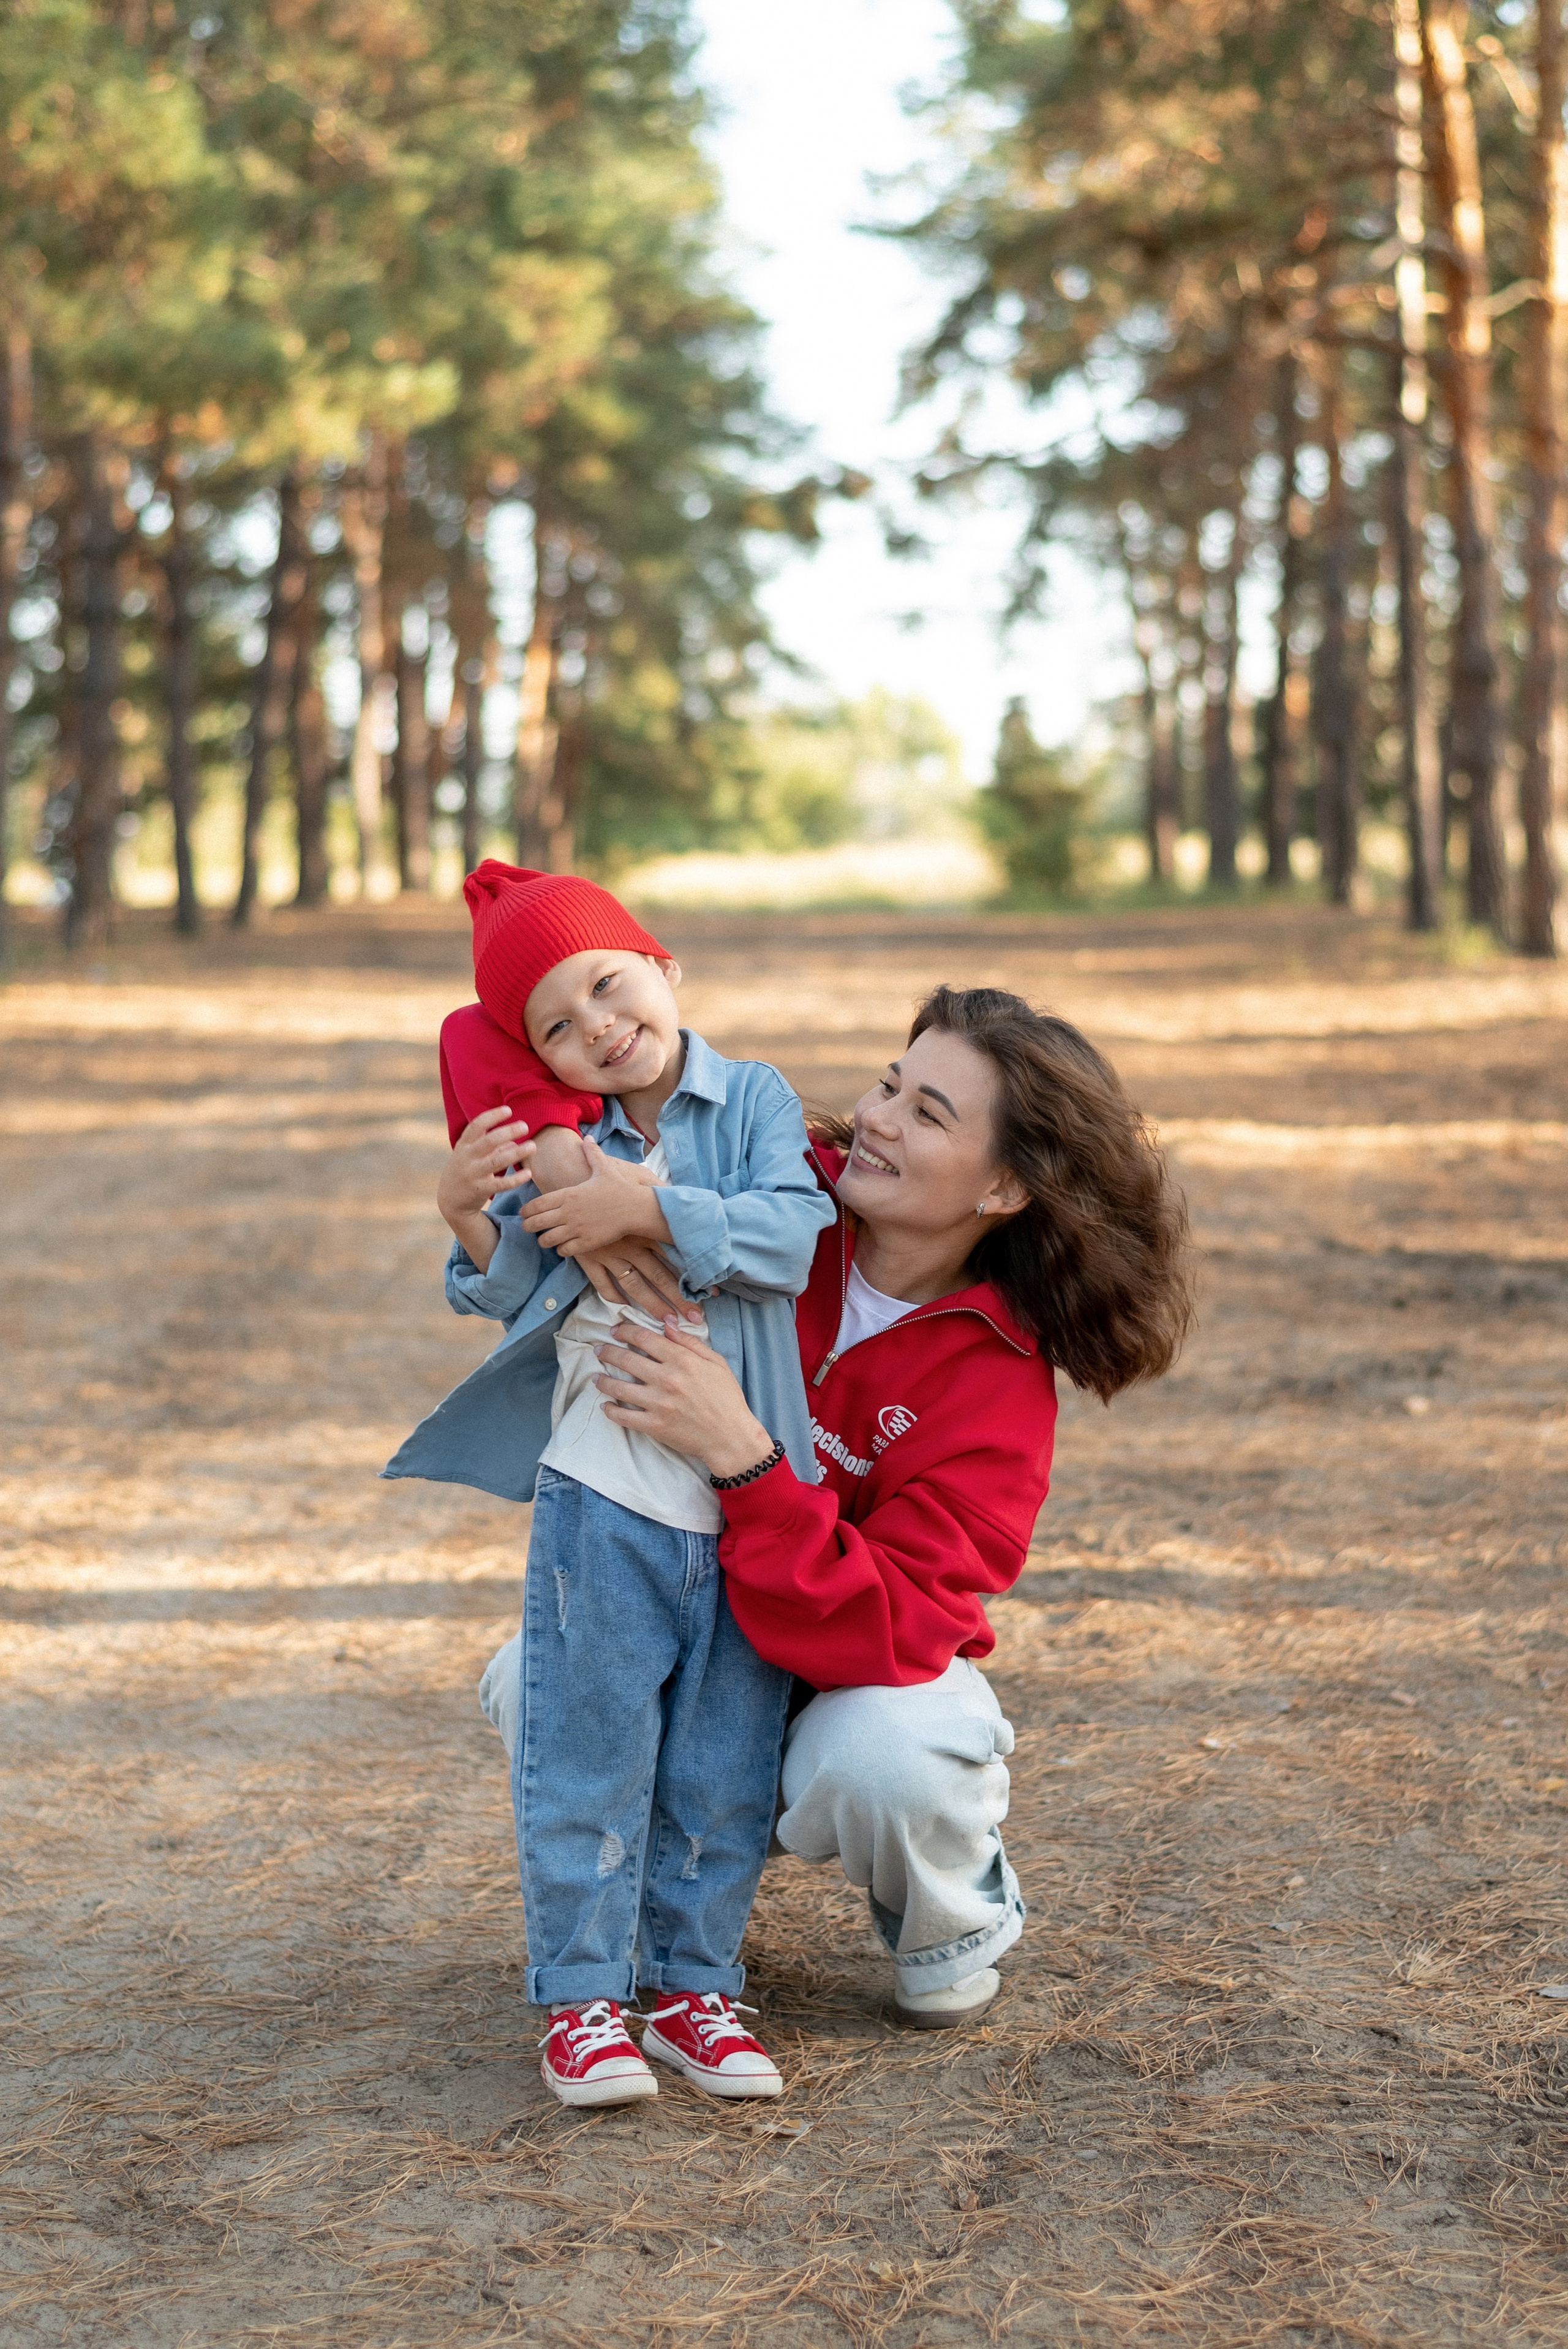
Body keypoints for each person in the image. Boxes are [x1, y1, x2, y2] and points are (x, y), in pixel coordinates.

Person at [480, 983, 1193, 2027]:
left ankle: (956, 1910)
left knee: (886, 1761)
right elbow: (540, 1046)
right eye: (890, 1084)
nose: (879, 1117)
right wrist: (478, 1190)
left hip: (839, 1684)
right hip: (688, 1636)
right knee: (533, 1674)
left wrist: (745, 1459)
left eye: (929, 1114)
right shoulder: (759, 1204)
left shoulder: (998, 1384)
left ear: (1003, 1187)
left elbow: (899, 1622)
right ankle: (661, 1915)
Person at [385, 861, 835, 2107]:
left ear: (664, 969)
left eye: (607, 981)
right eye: (556, 1026)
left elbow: (790, 1236)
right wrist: (469, 1219)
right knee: (587, 1741)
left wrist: (646, 1208)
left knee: (721, 1756)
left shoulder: (750, 1098)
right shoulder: (554, 1148)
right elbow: (512, 1298)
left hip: (747, 1484)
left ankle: (695, 1989)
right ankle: (580, 2003)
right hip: (605, 1489)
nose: (595, 1023)